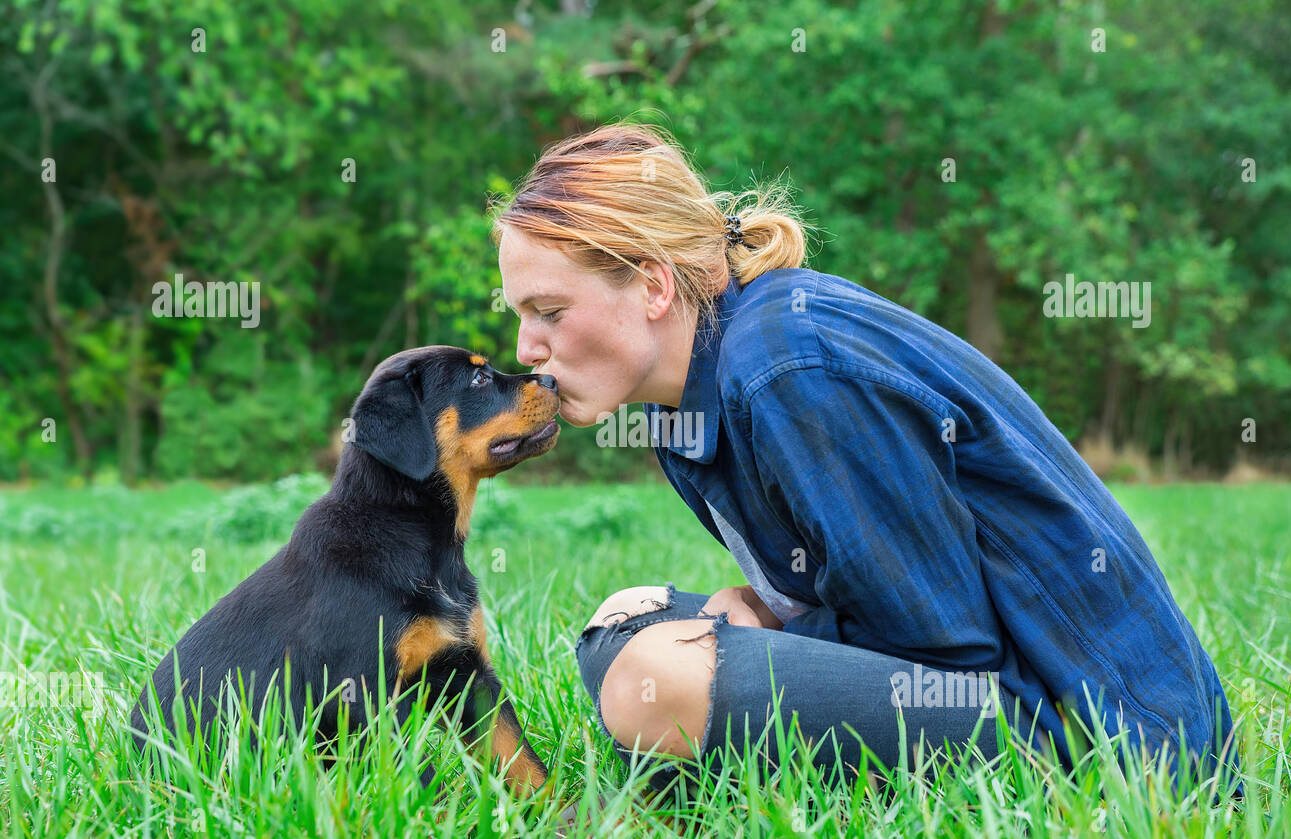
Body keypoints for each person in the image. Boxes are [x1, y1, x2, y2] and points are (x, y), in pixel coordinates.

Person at [489, 121, 1239, 796]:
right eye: (522, 315)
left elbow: (948, 646)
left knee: (654, 677)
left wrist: (768, 632)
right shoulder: (681, 403)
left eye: (549, 312)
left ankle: (723, 776)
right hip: (978, 682)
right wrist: (767, 616)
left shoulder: (787, 367)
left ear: (653, 286)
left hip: (1095, 730)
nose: (526, 349)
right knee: (624, 623)